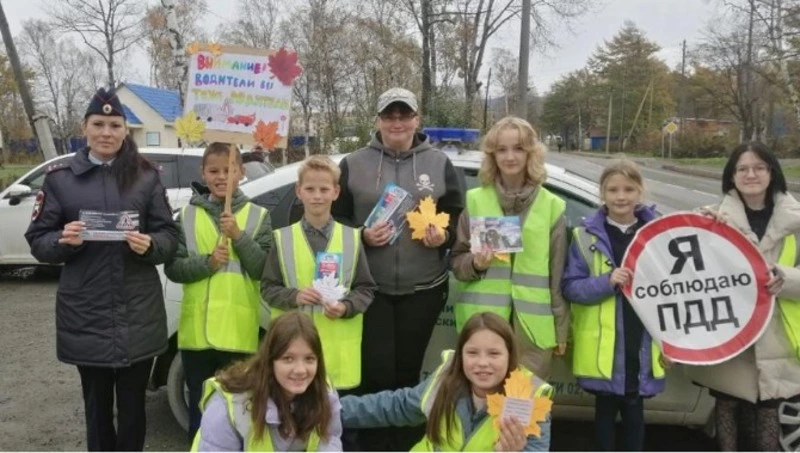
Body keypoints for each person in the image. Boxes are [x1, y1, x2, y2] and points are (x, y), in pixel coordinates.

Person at [24, 87, 178, 451]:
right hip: (86, 314)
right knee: (96, 411)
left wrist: (151, 244)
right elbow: (38, 241)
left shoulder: (146, 176)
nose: (106, 132)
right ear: (85, 128)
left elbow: (169, 235)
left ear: (126, 130)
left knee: (133, 411)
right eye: (99, 124)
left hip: (137, 312)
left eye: (115, 124)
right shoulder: (60, 179)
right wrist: (63, 240)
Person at [331, 87, 464, 450]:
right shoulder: (353, 163)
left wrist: (445, 236)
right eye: (389, 115)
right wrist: (360, 236)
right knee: (374, 377)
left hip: (422, 291)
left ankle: (404, 445)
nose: (397, 122)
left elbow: (456, 213)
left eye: (404, 115)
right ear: (378, 120)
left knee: (407, 379)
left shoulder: (438, 163)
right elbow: (335, 219)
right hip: (369, 291)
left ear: (417, 119)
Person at [685, 141, 800, 451]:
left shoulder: (797, 221)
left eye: (759, 167)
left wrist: (787, 279)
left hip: (778, 336)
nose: (751, 174)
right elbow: (690, 273)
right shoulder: (716, 218)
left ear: (772, 172)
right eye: (743, 168)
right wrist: (699, 225)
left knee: (769, 412)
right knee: (727, 406)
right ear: (731, 176)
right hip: (731, 330)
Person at [164, 142, 272, 442]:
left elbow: (262, 268)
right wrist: (208, 263)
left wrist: (238, 236)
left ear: (241, 172)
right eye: (214, 170)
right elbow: (173, 268)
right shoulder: (186, 215)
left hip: (238, 335)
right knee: (201, 414)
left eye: (228, 170)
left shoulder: (258, 216)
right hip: (197, 336)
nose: (221, 177)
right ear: (203, 173)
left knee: (240, 413)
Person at [561, 159, 670, 451]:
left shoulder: (659, 234)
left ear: (640, 192)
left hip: (642, 341)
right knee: (605, 416)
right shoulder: (585, 237)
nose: (621, 196)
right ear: (602, 194)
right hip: (605, 350)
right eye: (613, 190)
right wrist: (607, 281)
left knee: (635, 414)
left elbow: (676, 289)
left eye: (629, 189)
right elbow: (571, 288)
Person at [450, 116, 568, 380]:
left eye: (518, 148)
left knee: (523, 408)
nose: (510, 157)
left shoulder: (552, 206)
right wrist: (476, 264)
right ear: (492, 155)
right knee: (484, 409)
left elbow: (558, 276)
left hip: (533, 331)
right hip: (484, 329)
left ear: (531, 153)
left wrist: (561, 329)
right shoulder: (476, 200)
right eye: (501, 150)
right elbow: (457, 263)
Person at [340, 311, 552, 451]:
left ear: (510, 355)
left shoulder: (530, 398)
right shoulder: (446, 378)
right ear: (461, 355)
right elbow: (396, 406)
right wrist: (329, 408)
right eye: (472, 353)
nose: (482, 363)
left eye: (494, 354)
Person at [262, 155, 375, 392]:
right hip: (294, 359)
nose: (317, 196)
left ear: (335, 192)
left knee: (335, 425)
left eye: (324, 189)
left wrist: (346, 307)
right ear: (298, 191)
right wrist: (295, 297)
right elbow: (268, 288)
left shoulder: (352, 238)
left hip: (337, 358)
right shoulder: (282, 239)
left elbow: (365, 289)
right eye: (310, 189)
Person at [192, 311, 343, 451]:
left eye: (309, 359)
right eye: (288, 359)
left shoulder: (324, 391)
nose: (300, 370)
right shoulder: (229, 406)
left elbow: (330, 439)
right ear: (270, 361)